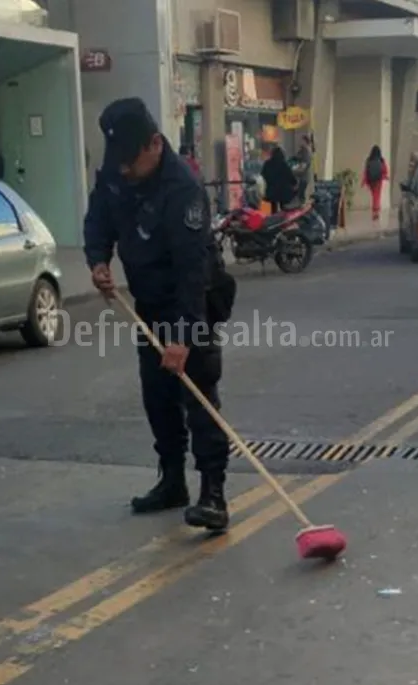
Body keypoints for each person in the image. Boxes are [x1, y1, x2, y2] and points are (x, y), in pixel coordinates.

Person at [84, 97, 237, 531]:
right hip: (148, 304)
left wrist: (182, 337)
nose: (125, 171)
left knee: (199, 397)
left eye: (132, 161)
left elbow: (193, 270)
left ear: (155, 143)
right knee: (157, 397)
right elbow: (98, 219)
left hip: (190, 304)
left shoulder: (182, 189)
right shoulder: (118, 173)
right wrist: (98, 259)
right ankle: (172, 481)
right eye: (120, 163)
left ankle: (213, 494)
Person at [260, 145, 299, 212]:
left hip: (272, 190)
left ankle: (274, 219)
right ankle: (283, 219)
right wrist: (295, 183)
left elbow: (263, 174)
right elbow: (290, 176)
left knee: (273, 208)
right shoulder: (284, 164)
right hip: (283, 191)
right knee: (284, 208)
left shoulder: (267, 163)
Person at [361, 145, 389, 221]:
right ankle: (376, 212)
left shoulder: (369, 160)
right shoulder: (381, 160)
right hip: (378, 181)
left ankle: (375, 212)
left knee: (374, 196)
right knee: (377, 196)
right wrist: (385, 177)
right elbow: (384, 170)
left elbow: (366, 171)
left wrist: (364, 181)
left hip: (371, 181)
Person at [293, 134, 314, 201]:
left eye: (301, 140)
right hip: (302, 177)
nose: (299, 142)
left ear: (305, 141)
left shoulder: (306, 152)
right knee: (299, 195)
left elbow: (303, 167)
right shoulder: (302, 150)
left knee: (300, 196)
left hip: (303, 177)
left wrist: (292, 171)